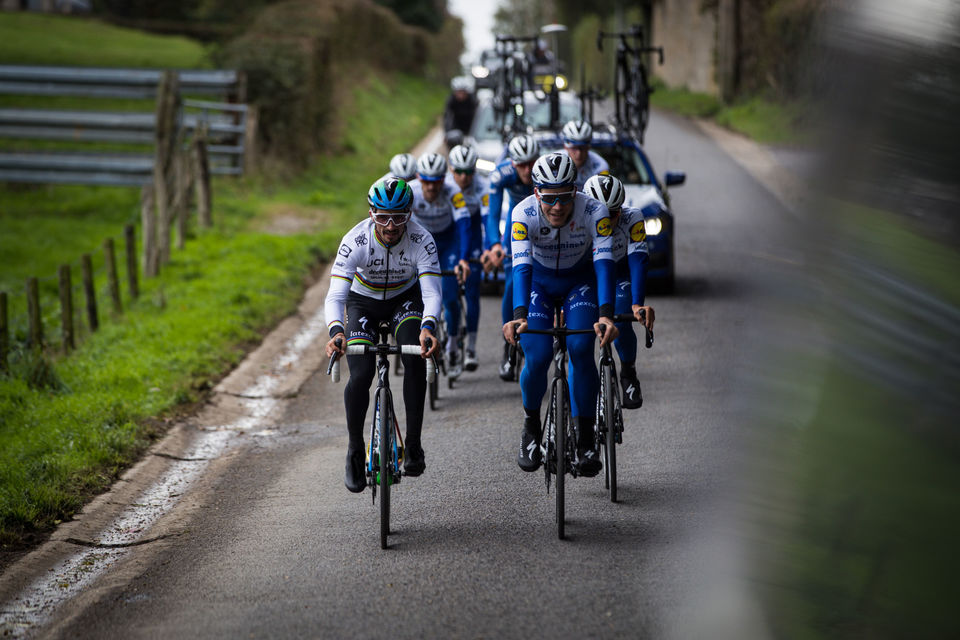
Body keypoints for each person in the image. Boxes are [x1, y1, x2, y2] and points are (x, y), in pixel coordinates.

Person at [503, 152, 619, 477]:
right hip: (538, 283)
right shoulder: (522, 213)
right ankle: (530, 424)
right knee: (537, 355)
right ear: (536, 192)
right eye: (549, 198)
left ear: (576, 191)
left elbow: (604, 263)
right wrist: (520, 314)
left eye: (565, 197)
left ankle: (585, 436)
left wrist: (607, 314)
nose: (557, 207)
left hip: (578, 283)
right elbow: (521, 268)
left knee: (582, 349)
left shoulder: (595, 211)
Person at [323, 177, 441, 493]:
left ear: (410, 214)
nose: (391, 226)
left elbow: (431, 292)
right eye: (383, 217)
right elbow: (335, 295)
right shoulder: (355, 241)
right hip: (363, 303)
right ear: (371, 212)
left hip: (406, 300)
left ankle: (413, 445)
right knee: (360, 375)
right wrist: (336, 331)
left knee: (414, 355)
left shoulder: (421, 239)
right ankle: (353, 451)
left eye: (399, 217)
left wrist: (428, 326)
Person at [584, 174, 656, 409]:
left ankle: (628, 372)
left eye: (613, 213)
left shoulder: (631, 217)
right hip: (586, 277)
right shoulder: (577, 219)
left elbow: (638, 260)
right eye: (601, 213)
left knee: (623, 318)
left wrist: (637, 303)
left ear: (621, 209)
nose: (607, 219)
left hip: (620, 276)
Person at [480, 133, 539, 381]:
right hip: (517, 227)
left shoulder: (546, 170)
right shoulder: (501, 174)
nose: (527, 169)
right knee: (513, 284)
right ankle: (510, 345)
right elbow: (493, 215)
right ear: (512, 163)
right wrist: (494, 244)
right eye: (521, 164)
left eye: (531, 163)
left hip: (543, 225)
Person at [409, 152, 473, 377]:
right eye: (426, 181)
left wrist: (463, 258)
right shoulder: (411, 191)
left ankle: (454, 346)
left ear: (443, 180)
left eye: (436, 181)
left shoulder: (453, 192)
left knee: (449, 296)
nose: (431, 187)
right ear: (418, 178)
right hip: (420, 243)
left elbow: (464, 224)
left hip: (448, 244)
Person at [445, 144, 488, 370]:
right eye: (459, 171)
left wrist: (489, 248)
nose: (464, 177)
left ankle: (471, 347)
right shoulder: (444, 185)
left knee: (472, 292)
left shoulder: (482, 186)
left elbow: (487, 219)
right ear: (451, 169)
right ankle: (451, 343)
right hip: (451, 236)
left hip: (472, 237)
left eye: (469, 171)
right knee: (449, 296)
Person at [561, 119, 610, 191]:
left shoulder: (601, 166)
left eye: (583, 148)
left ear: (589, 147)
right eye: (574, 148)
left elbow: (603, 194)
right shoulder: (555, 162)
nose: (579, 153)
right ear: (565, 147)